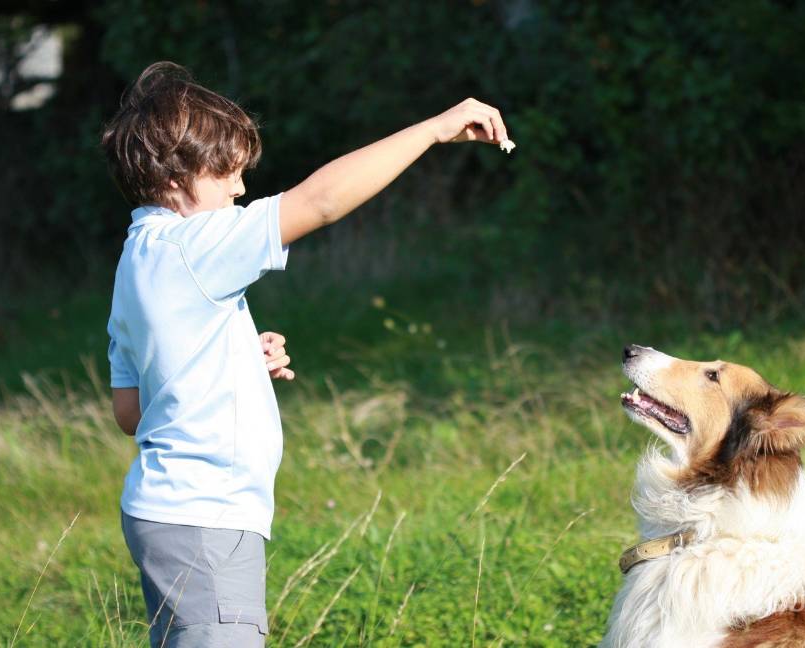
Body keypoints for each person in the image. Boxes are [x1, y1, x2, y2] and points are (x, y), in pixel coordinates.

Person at [102, 61, 509, 647]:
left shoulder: (137, 261)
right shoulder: (193, 245)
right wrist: (432, 130)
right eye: (227, 174)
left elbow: (131, 412)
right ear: (175, 177)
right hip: (207, 518)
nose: (240, 189)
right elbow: (318, 202)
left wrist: (236, 359)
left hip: (165, 513)